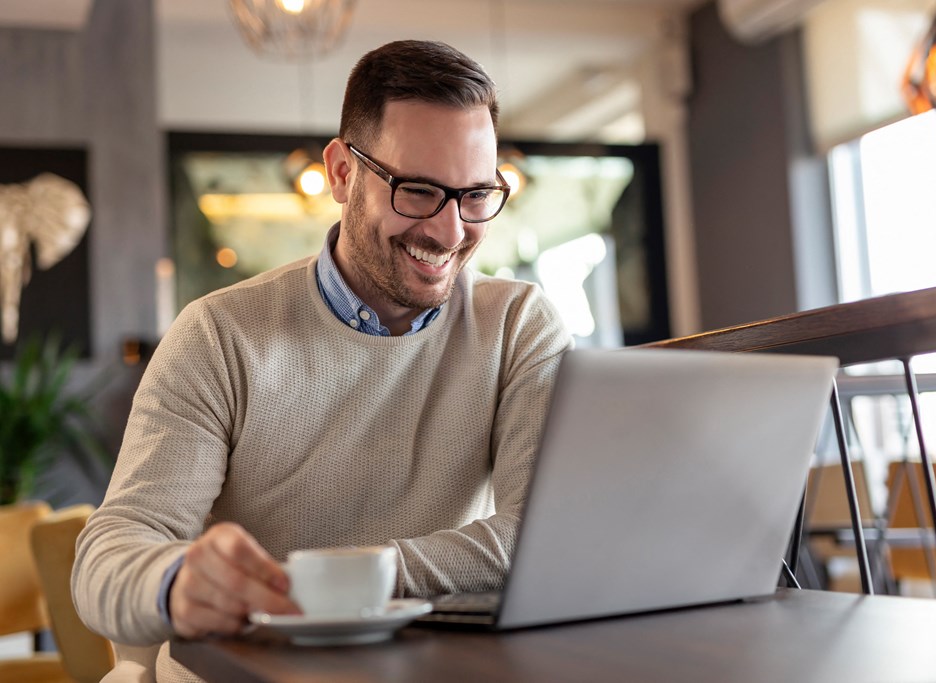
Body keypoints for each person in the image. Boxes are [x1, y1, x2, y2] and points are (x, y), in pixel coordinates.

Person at [72, 40, 571, 681]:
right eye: (417, 191)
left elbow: (542, 537)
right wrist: (173, 580)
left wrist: (343, 580)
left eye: (475, 195)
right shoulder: (218, 335)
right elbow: (106, 559)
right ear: (341, 174)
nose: (449, 233)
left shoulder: (519, 326)